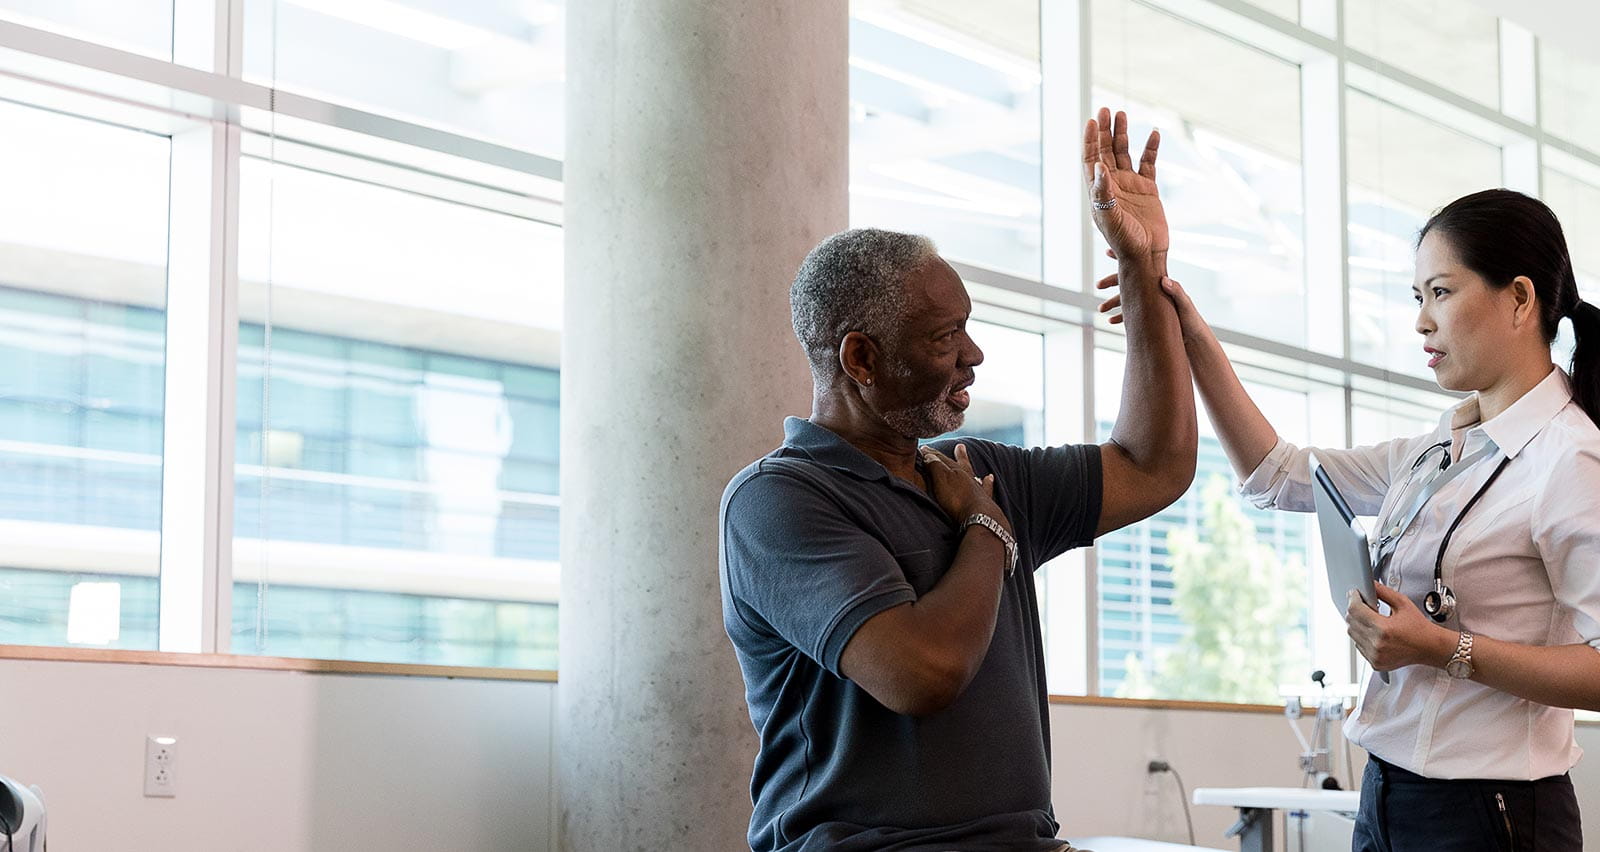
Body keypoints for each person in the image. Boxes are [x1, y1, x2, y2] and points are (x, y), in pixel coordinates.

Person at [717, 108, 1196, 852]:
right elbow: (921, 674)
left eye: (967, 326)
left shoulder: (981, 471)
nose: (973, 354)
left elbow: (1154, 466)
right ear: (861, 359)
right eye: (945, 337)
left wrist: (1141, 272)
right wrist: (986, 531)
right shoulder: (779, 499)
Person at [1098, 187, 1600, 851]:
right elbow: (1277, 475)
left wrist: (1444, 649)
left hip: (1492, 815)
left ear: (1518, 299)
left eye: (1442, 293)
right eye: (1417, 297)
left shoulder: (1571, 458)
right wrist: (1186, 327)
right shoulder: (1437, 450)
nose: (1422, 321)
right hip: (1388, 795)